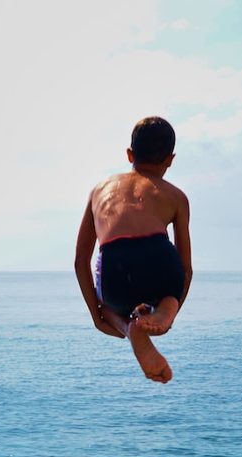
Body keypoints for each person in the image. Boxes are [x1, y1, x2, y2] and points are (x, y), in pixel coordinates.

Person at [74, 116, 193, 383]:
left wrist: (97, 315)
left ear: (130, 154)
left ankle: (129, 328)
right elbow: (185, 268)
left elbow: (80, 261)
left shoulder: (98, 191)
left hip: (116, 266)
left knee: (108, 306)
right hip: (160, 260)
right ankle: (161, 314)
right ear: (170, 159)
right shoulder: (175, 196)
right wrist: (172, 312)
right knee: (169, 293)